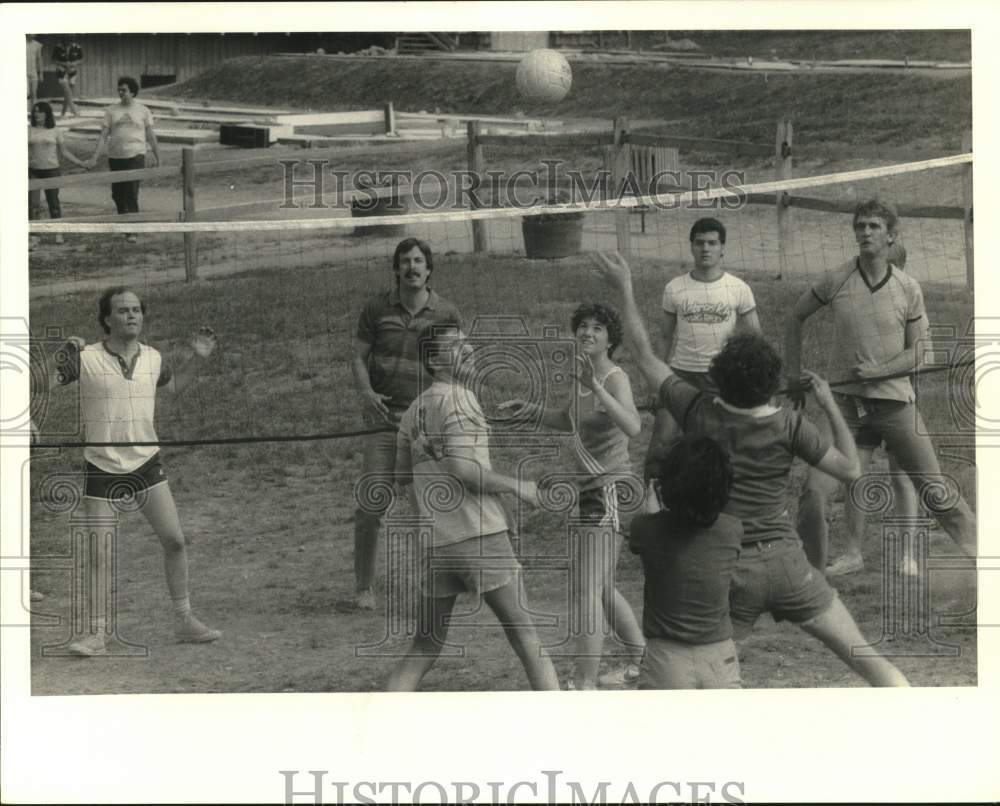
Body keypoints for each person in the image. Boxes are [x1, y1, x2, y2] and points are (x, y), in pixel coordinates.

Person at [594, 250, 908, 687]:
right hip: (786, 563)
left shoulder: (699, 411)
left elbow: (646, 356)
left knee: (701, 665)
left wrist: (625, 289)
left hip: (727, 566)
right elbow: (852, 469)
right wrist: (829, 404)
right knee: (868, 660)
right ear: (771, 383)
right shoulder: (790, 424)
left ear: (719, 381)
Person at [786, 199, 976, 577]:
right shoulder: (836, 279)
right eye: (860, 226)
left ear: (891, 235)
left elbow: (921, 352)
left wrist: (879, 371)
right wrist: (792, 375)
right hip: (843, 408)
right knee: (815, 491)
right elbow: (794, 317)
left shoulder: (908, 287)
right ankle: (811, 576)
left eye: (874, 226)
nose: (865, 232)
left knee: (936, 491)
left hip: (893, 405)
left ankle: (985, 558)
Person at [387, 321, 560, 691]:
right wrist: (520, 487)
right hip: (480, 535)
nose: (468, 350)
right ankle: (558, 720)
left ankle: (380, 718)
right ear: (434, 361)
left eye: (467, 343)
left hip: (436, 543)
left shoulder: (413, 411)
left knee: (424, 647)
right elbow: (465, 471)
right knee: (526, 638)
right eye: (456, 346)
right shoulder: (460, 399)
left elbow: (401, 476)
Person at [50, 287, 221, 656]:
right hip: (102, 465)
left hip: (145, 463)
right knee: (100, 552)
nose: (131, 315)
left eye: (136, 310)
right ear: (107, 319)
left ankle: (184, 620)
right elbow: (43, 384)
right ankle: (97, 634)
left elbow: (174, 388)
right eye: (122, 310)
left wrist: (198, 358)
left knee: (175, 541)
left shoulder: (154, 358)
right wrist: (62, 355)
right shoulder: (87, 357)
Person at [498, 303, 645, 690]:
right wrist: (530, 410)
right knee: (602, 588)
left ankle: (584, 684)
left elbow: (633, 426)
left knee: (586, 591)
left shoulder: (614, 377)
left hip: (609, 489)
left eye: (597, 328)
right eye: (583, 326)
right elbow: (569, 420)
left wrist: (596, 387)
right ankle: (643, 663)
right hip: (588, 491)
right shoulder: (581, 376)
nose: (588, 332)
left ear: (611, 339)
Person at [351, 238, 463, 610]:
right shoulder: (376, 309)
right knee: (370, 504)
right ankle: (364, 587)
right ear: (396, 269)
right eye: (404, 261)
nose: (411, 267)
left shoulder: (446, 312)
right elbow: (358, 356)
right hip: (384, 421)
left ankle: (436, 581)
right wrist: (367, 392)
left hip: (425, 424)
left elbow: (458, 364)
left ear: (429, 269)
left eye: (418, 261)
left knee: (431, 506)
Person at [645, 217, 760, 481]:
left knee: (720, 450)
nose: (705, 249)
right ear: (691, 247)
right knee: (660, 446)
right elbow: (665, 336)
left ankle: (718, 501)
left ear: (722, 248)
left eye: (712, 243)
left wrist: (753, 384)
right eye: (699, 243)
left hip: (721, 380)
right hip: (679, 376)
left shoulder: (738, 288)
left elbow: (756, 340)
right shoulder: (675, 288)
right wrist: (655, 383)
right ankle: (651, 502)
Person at [629, 437, 744, 689]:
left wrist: (653, 497)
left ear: (667, 487)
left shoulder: (644, 529)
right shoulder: (733, 530)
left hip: (665, 660)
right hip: (720, 658)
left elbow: (650, 528)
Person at [87, 76, 160, 240]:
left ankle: (132, 231)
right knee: (117, 194)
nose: (121, 93)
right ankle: (125, 224)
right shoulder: (111, 111)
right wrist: (94, 157)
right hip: (116, 156)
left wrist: (158, 157)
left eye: (124, 90)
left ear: (132, 92)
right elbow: (103, 136)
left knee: (131, 192)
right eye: (119, 90)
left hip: (136, 155)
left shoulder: (143, 111)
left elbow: (150, 135)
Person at [28, 101, 88, 248]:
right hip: (33, 171)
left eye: (40, 111)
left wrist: (81, 163)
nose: (37, 114)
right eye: (35, 111)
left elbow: (64, 152)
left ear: (47, 114)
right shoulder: (28, 130)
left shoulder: (55, 131)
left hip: (51, 171)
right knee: (33, 205)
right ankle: (34, 236)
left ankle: (58, 231)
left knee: (53, 203)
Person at [52, 38, 83, 117]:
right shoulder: (58, 47)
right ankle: (74, 111)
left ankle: (63, 113)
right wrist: (64, 64)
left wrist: (74, 63)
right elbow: (53, 60)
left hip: (72, 71)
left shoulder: (77, 47)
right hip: (61, 71)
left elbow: (81, 59)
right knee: (67, 91)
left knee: (68, 94)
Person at [26, 35, 44, 113]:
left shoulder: (37, 45)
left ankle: (33, 112)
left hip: (33, 71)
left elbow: (39, 59)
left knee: (34, 92)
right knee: (26, 93)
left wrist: (41, 73)